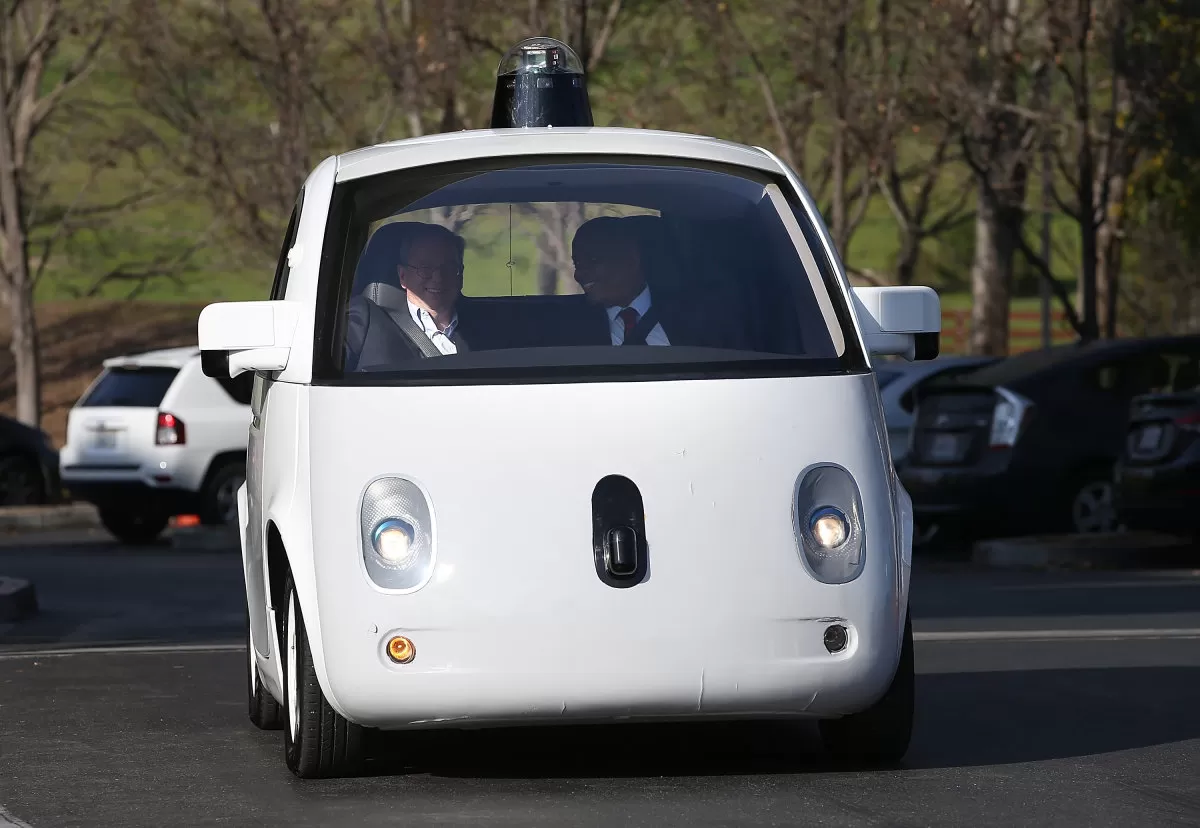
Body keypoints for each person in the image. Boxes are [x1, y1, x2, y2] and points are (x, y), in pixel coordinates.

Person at [343, 221, 497, 370]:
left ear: (460, 274)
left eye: (449, 268)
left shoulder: (487, 327)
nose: (438, 278)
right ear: (402, 275)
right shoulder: (364, 321)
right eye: (425, 268)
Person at [569, 215, 733, 348]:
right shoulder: (568, 327)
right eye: (577, 263)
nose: (579, 274)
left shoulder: (699, 317)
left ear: (632, 259)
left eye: (593, 260)